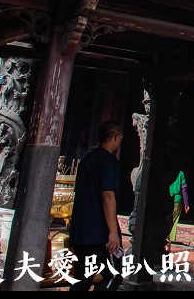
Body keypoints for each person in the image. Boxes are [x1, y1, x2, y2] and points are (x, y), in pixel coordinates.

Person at [69, 121, 123, 291]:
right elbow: (108, 196)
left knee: (82, 277)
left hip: (81, 231)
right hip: (99, 233)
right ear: (115, 137)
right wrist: (113, 232)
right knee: (114, 274)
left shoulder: (86, 160)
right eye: (119, 137)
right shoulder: (108, 161)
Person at [165, 169, 189, 252]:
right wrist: (186, 203)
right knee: (173, 222)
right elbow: (184, 189)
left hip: (167, 198)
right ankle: (168, 244)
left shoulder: (168, 171)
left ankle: (164, 242)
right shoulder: (181, 173)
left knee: (165, 220)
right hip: (177, 201)